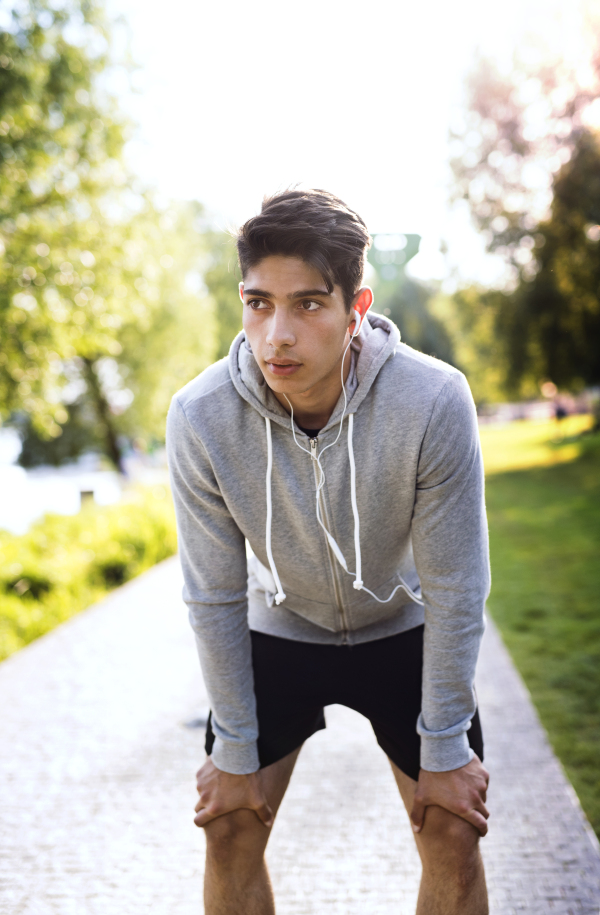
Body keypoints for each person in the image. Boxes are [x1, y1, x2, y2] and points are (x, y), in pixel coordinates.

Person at [167, 189, 491, 915]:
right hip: (279, 632)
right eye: (258, 303)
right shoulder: (201, 415)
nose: (276, 334)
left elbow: (456, 585)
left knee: (451, 826)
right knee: (228, 824)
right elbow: (214, 592)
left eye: (308, 304)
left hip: (404, 627)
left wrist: (444, 750)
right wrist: (235, 750)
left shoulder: (433, 399)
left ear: (355, 306)